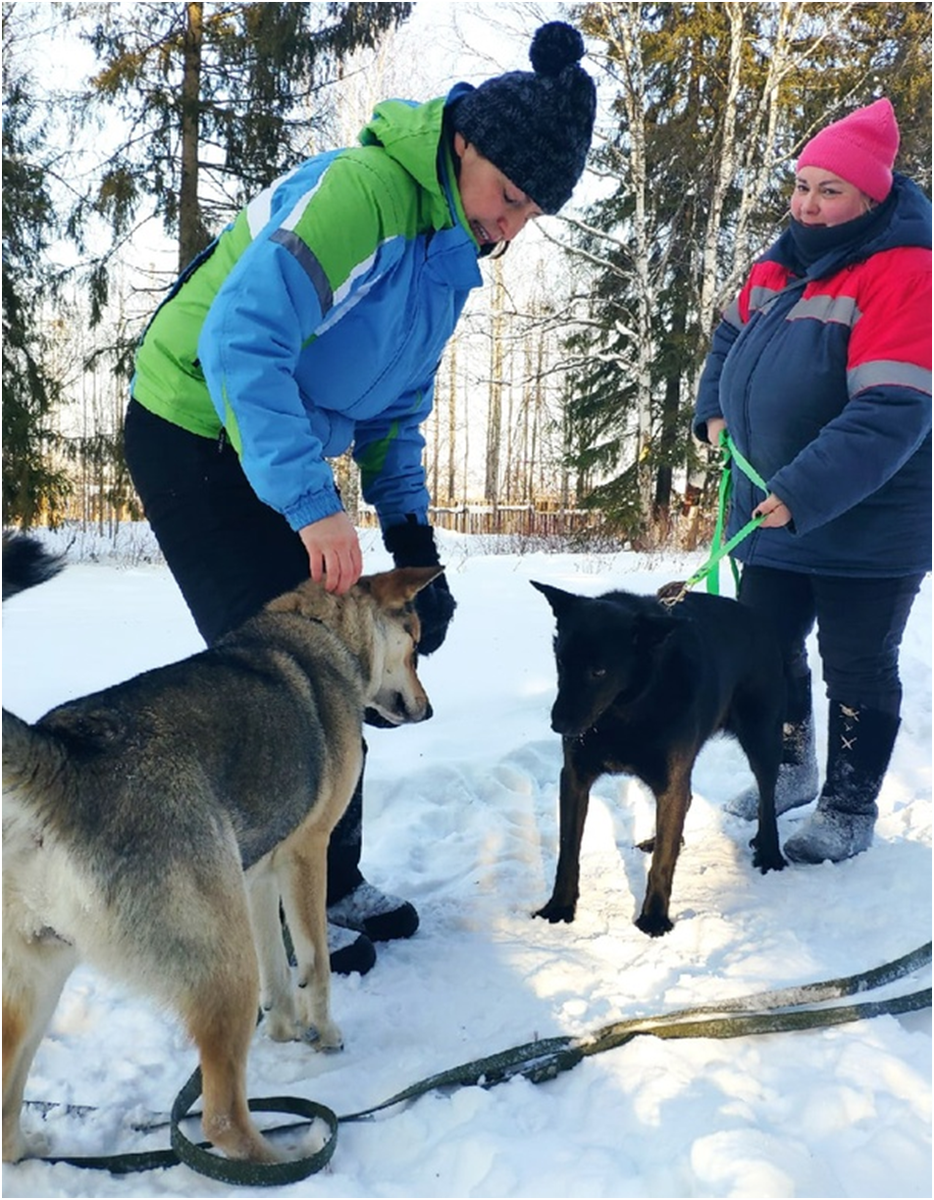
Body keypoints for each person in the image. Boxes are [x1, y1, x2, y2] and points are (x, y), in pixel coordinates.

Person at [123, 22, 597, 973]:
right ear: (465, 142)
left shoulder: (448, 258)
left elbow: (395, 413)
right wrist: (311, 504)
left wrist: (417, 538)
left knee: (337, 672)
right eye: (508, 197)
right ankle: (274, 911)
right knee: (289, 678)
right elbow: (238, 343)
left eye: (529, 215)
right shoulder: (367, 196)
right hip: (193, 429)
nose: (509, 227)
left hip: (268, 442)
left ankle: (328, 886)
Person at [693, 97, 934, 865]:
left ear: (871, 196)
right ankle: (790, 766)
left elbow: (893, 410)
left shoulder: (907, 271)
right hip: (772, 512)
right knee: (765, 646)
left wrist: (802, 491)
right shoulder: (781, 259)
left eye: (830, 190)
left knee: (857, 664)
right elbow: (728, 340)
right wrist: (714, 412)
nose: (808, 204)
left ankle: (850, 805)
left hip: (870, 519)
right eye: (802, 185)